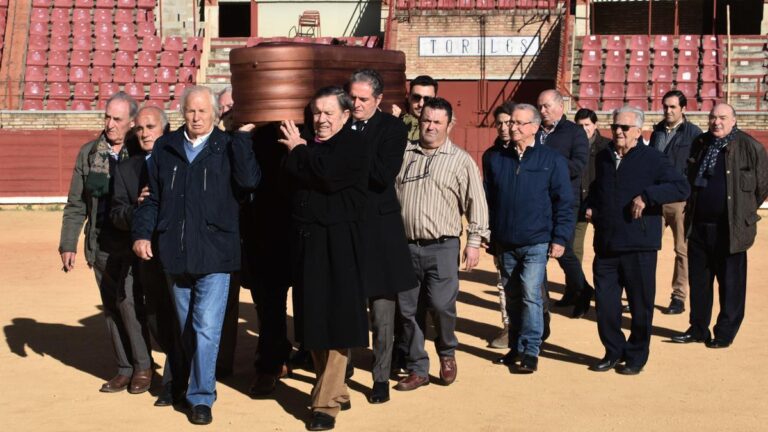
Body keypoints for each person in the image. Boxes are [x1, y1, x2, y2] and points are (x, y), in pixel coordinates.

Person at [132, 86, 261, 425]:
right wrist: (143, 233)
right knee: (188, 326)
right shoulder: (165, 148)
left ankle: (202, 397)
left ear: (215, 114)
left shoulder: (228, 145)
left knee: (205, 327)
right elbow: (153, 199)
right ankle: (184, 383)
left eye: (203, 111)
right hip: (176, 252)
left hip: (216, 255)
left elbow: (249, 183)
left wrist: (245, 139)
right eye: (191, 111)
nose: (196, 117)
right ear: (182, 112)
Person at [277, 86, 370, 431]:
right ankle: (336, 388)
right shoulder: (308, 147)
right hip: (307, 243)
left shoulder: (354, 145)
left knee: (336, 322)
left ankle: (325, 404)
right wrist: (302, 154)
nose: (321, 120)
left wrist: (299, 150)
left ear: (346, 116)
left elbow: (327, 176)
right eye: (317, 112)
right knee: (313, 322)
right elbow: (293, 181)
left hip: (339, 245)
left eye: (329, 113)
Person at [58, 92, 154, 394]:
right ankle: (124, 368)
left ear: (131, 122)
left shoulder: (141, 153)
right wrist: (68, 243)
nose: (110, 124)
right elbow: (76, 204)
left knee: (129, 303)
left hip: (134, 241)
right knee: (112, 306)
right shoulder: (89, 153)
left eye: (117, 119)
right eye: (107, 117)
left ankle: (143, 366)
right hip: (100, 242)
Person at [394, 97, 489, 391]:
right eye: (426, 121)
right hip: (405, 246)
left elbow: (477, 204)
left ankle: (447, 351)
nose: (430, 127)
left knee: (441, 305)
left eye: (437, 122)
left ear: (450, 125)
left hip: (443, 246)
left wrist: (473, 242)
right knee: (408, 310)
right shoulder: (403, 154)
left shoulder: (461, 161)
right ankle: (417, 367)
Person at [586, 106, 689, 375]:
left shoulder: (653, 159)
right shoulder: (604, 157)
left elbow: (681, 186)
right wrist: (590, 206)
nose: (618, 131)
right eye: (615, 126)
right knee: (606, 305)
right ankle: (613, 350)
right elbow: (599, 188)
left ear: (639, 131)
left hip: (639, 244)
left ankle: (636, 355)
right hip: (606, 243)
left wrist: (647, 196)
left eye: (624, 128)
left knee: (641, 305)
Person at [483, 103, 574, 373]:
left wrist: (560, 238)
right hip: (505, 241)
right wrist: (488, 232)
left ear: (534, 127)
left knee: (530, 293)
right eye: (511, 122)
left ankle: (531, 350)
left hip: (536, 240)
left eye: (520, 123)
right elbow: (489, 200)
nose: (513, 127)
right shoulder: (495, 158)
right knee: (511, 297)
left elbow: (564, 202)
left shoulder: (552, 160)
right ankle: (516, 346)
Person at [671, 103, 768, 348]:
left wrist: (742, 211)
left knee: (731, 283)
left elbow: (762, 187)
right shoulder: (701, 143)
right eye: (713, 117)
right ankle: (698, 328)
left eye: (723, 118)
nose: (717, 122)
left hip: (731, 228)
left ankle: (725, 332)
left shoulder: (750, 147)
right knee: (700, 282)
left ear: (734, 120)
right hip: (699, 225)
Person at [347, 69, 414, 404]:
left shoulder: (392, 128)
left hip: (380, 232)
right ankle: (341, 371)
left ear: (378, 99)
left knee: (383, 314)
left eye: (362, 99)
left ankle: (381, 377)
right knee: (345, 306)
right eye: (352, 98)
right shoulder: (340, 123)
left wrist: (345, 153)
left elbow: (381, 176)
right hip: (346, 229)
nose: (355, 104)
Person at [109, 106, 182, 406]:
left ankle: (175, 380)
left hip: (178, 251)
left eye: (150, 127)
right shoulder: (127, 170)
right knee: (156, 318)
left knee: (182, 316)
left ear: (164, 129)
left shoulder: (181, 161)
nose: (144, 133)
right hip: (145, 255)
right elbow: (115, 213)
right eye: (139, 128)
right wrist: (137, 209)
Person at [536, 89, 592, 318]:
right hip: (538, 200)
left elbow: (579, 165)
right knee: (539, 251)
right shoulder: (535, 130)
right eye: (539, 106)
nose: (542, 111)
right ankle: (543, 301)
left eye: (546, 106)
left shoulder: (574, 132)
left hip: (564, 201)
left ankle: (582, 291)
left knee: (564, 250)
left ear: (560, 106)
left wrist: (546, 167)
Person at [648, 90, 703, 315]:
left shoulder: (694, 134)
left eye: (672, 107)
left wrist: (691, 196)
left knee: (682, 250)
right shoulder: (657, 132)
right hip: (655, 199)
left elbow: (697, 167)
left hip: (680, 201)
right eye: (665, 106)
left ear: (683, 108)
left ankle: (678, 297)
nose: (668, 111)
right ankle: (642, 293)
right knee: (647, 248)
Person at [392, 75, 439, 143]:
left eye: (427, 99)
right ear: (409, 97)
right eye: (416, 97)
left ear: (435, 99)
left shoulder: (439, 126)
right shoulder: (396, 120)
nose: (421, 104)